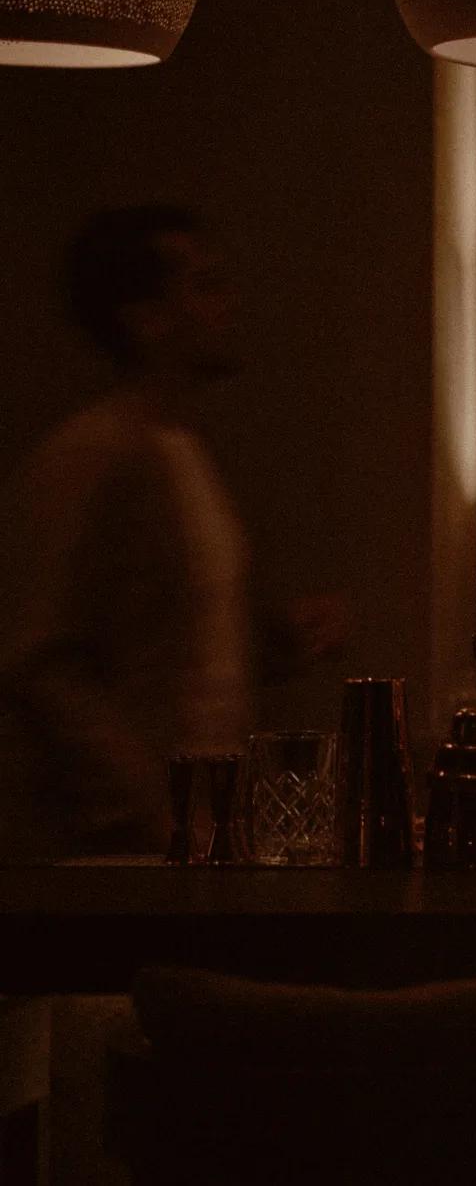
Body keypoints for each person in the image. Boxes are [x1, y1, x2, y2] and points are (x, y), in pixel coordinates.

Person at [0, 205, 343, 859]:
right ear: (147, 318)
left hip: (199, 832)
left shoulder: (184, 450)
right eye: (205, 285)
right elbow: (41, 662)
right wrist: (148, 804)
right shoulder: (90, 456)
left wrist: (281, 640)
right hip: (117, 849)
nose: (229, 303)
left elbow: (179, 651)